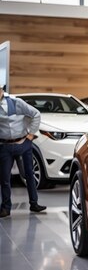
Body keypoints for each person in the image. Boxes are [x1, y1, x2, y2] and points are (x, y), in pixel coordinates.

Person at [0, 86, 46, 217]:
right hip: (4, 146)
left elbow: (36, 114)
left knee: (29, 174)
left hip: (23, 144)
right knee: (4, 178)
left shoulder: (16, 103)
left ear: (2, 91)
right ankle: (5, 208)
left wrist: (31, 135)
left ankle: (34, 204)